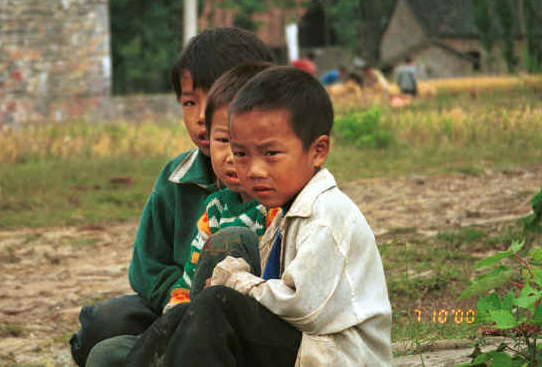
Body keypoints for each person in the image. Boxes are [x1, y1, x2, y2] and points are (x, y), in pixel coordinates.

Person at [139, 66, 393, 366]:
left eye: (271, 154)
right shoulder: (288, 211)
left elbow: (303, 307)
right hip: (304, 347)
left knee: (216, 305)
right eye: (242, 154)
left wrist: (239, 283)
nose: (254, 170)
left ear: (318, 151)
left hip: (336, 356)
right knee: (189, 313)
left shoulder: (326, 216)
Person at [69, 27, 274, 367]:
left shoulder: (278, 177)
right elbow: (146, 265)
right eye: (189, 102)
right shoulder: (175, 177)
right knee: (103, 324)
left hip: (246, 308)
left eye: (215, 100)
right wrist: (180, 300)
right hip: (176, 302)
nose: (200, 118)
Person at [163, 61, 280, 313]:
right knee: (109, 351)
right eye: (223, 140)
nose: (231, 156)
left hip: (254, 322)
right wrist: (176, 314)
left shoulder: (278, 210)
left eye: (243, 144)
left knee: (232, 239)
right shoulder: (215, 209)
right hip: (204, 323)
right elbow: (189, 281)